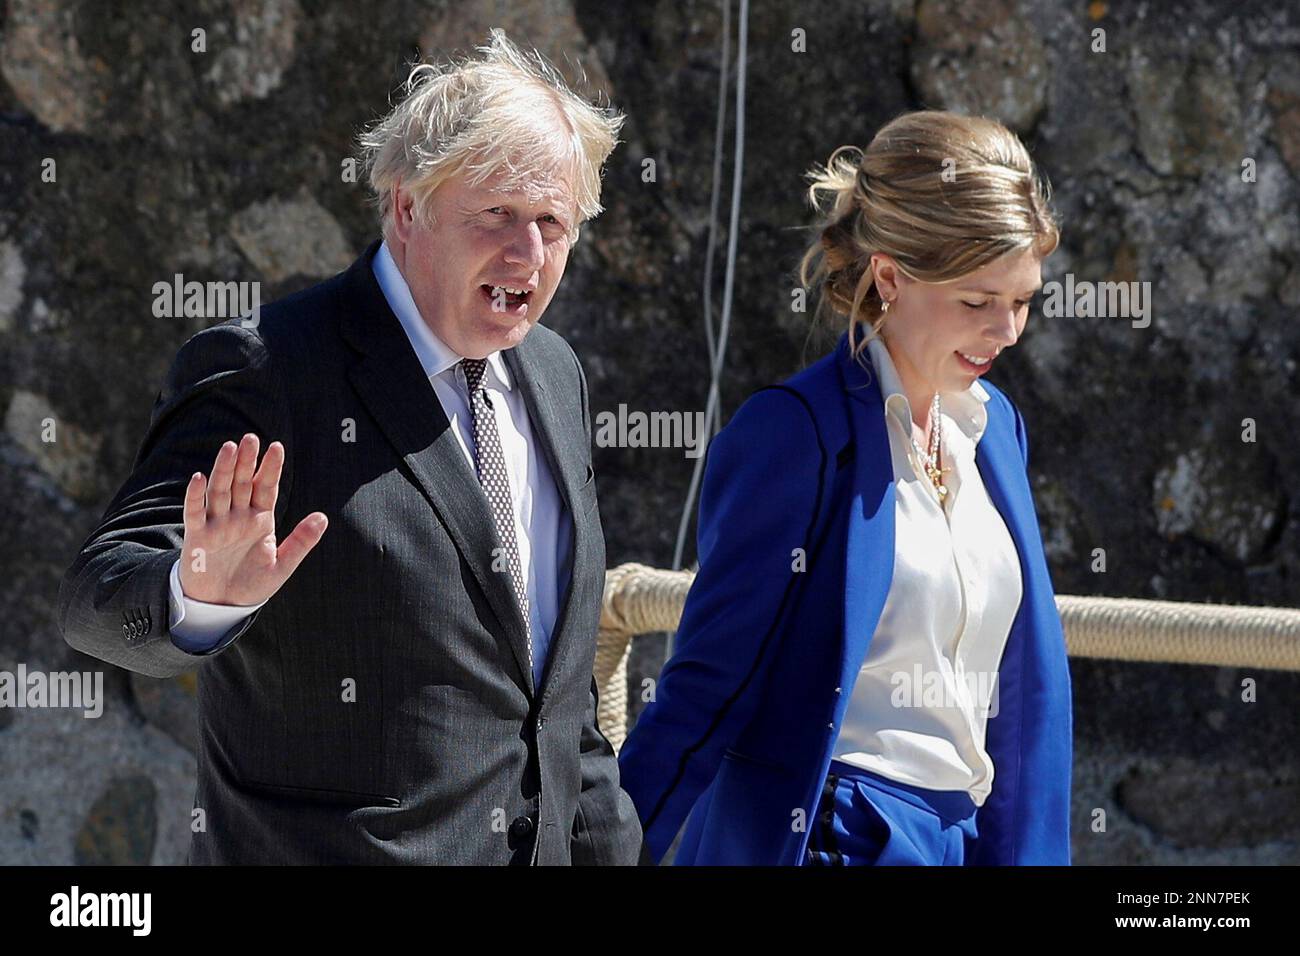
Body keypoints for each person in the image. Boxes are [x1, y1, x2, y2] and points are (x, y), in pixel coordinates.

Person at [58, 30, 643, 866]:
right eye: (498, 215)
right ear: (406, 208)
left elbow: (557, 700)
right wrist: (196, 594)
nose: (529, 254)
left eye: (552, 221)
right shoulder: (270, 368)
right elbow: (95, 598)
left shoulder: (553, 374)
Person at [618, 110, 1073, 866]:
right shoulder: (790, 434)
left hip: (967, 840)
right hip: (838, 839)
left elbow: (1023, 693)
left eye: (1022, 299)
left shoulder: (996, 431)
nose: (1009, 330)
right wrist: (601, 850)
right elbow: (708, 686)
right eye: (977, 301)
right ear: (890, 275)